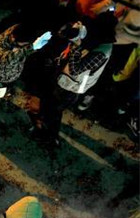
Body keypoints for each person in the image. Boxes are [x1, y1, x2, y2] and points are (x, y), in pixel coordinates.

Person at [34, 16, 116, 144]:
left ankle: (49, 136)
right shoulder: (98, 41)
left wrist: (77, 46)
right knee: (49, 105)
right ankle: (43, 124)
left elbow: (75, 70)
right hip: (63, 80)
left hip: (70, 88)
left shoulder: (101, 52)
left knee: (54, 112)